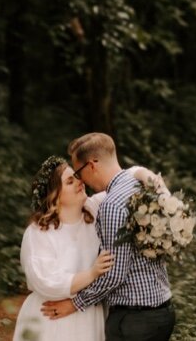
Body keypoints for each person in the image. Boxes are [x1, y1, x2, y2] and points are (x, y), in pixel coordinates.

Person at [13, 155, 164, 341]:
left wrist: (154, 181)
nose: (80, 181)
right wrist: (92, 274)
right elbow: (45, 281)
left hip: (88, 315)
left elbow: (126, 176)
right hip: (51, 315)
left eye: (77, 176)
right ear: (55, 196)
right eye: (70, 181)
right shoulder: (39, 232)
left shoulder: (94, 210)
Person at [41, 133, 175, 340]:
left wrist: (74, 304)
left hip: (133, 321)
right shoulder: (139, 185)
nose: (80, 180)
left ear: (92, 165)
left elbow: (114, 273)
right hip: (162, 311)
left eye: (78, 172)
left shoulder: (112, 205)